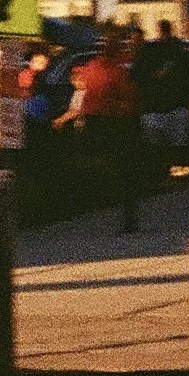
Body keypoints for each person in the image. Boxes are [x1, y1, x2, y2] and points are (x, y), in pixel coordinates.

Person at [53, 26, 142, 231]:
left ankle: (88, 205)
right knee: (123, 171)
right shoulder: (119, 70)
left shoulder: (94, 66)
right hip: (115, 123)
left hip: (94, 122)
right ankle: (126, 216)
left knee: (95, 165)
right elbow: (130, 97)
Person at [133, 20, 189, 174]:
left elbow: (138, 75)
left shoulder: (152, 51)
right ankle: (170, 169)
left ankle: (163, 170)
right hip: (173, 103)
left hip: (158, 104)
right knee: (174, 141)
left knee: (160, 142)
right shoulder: (179, 51)